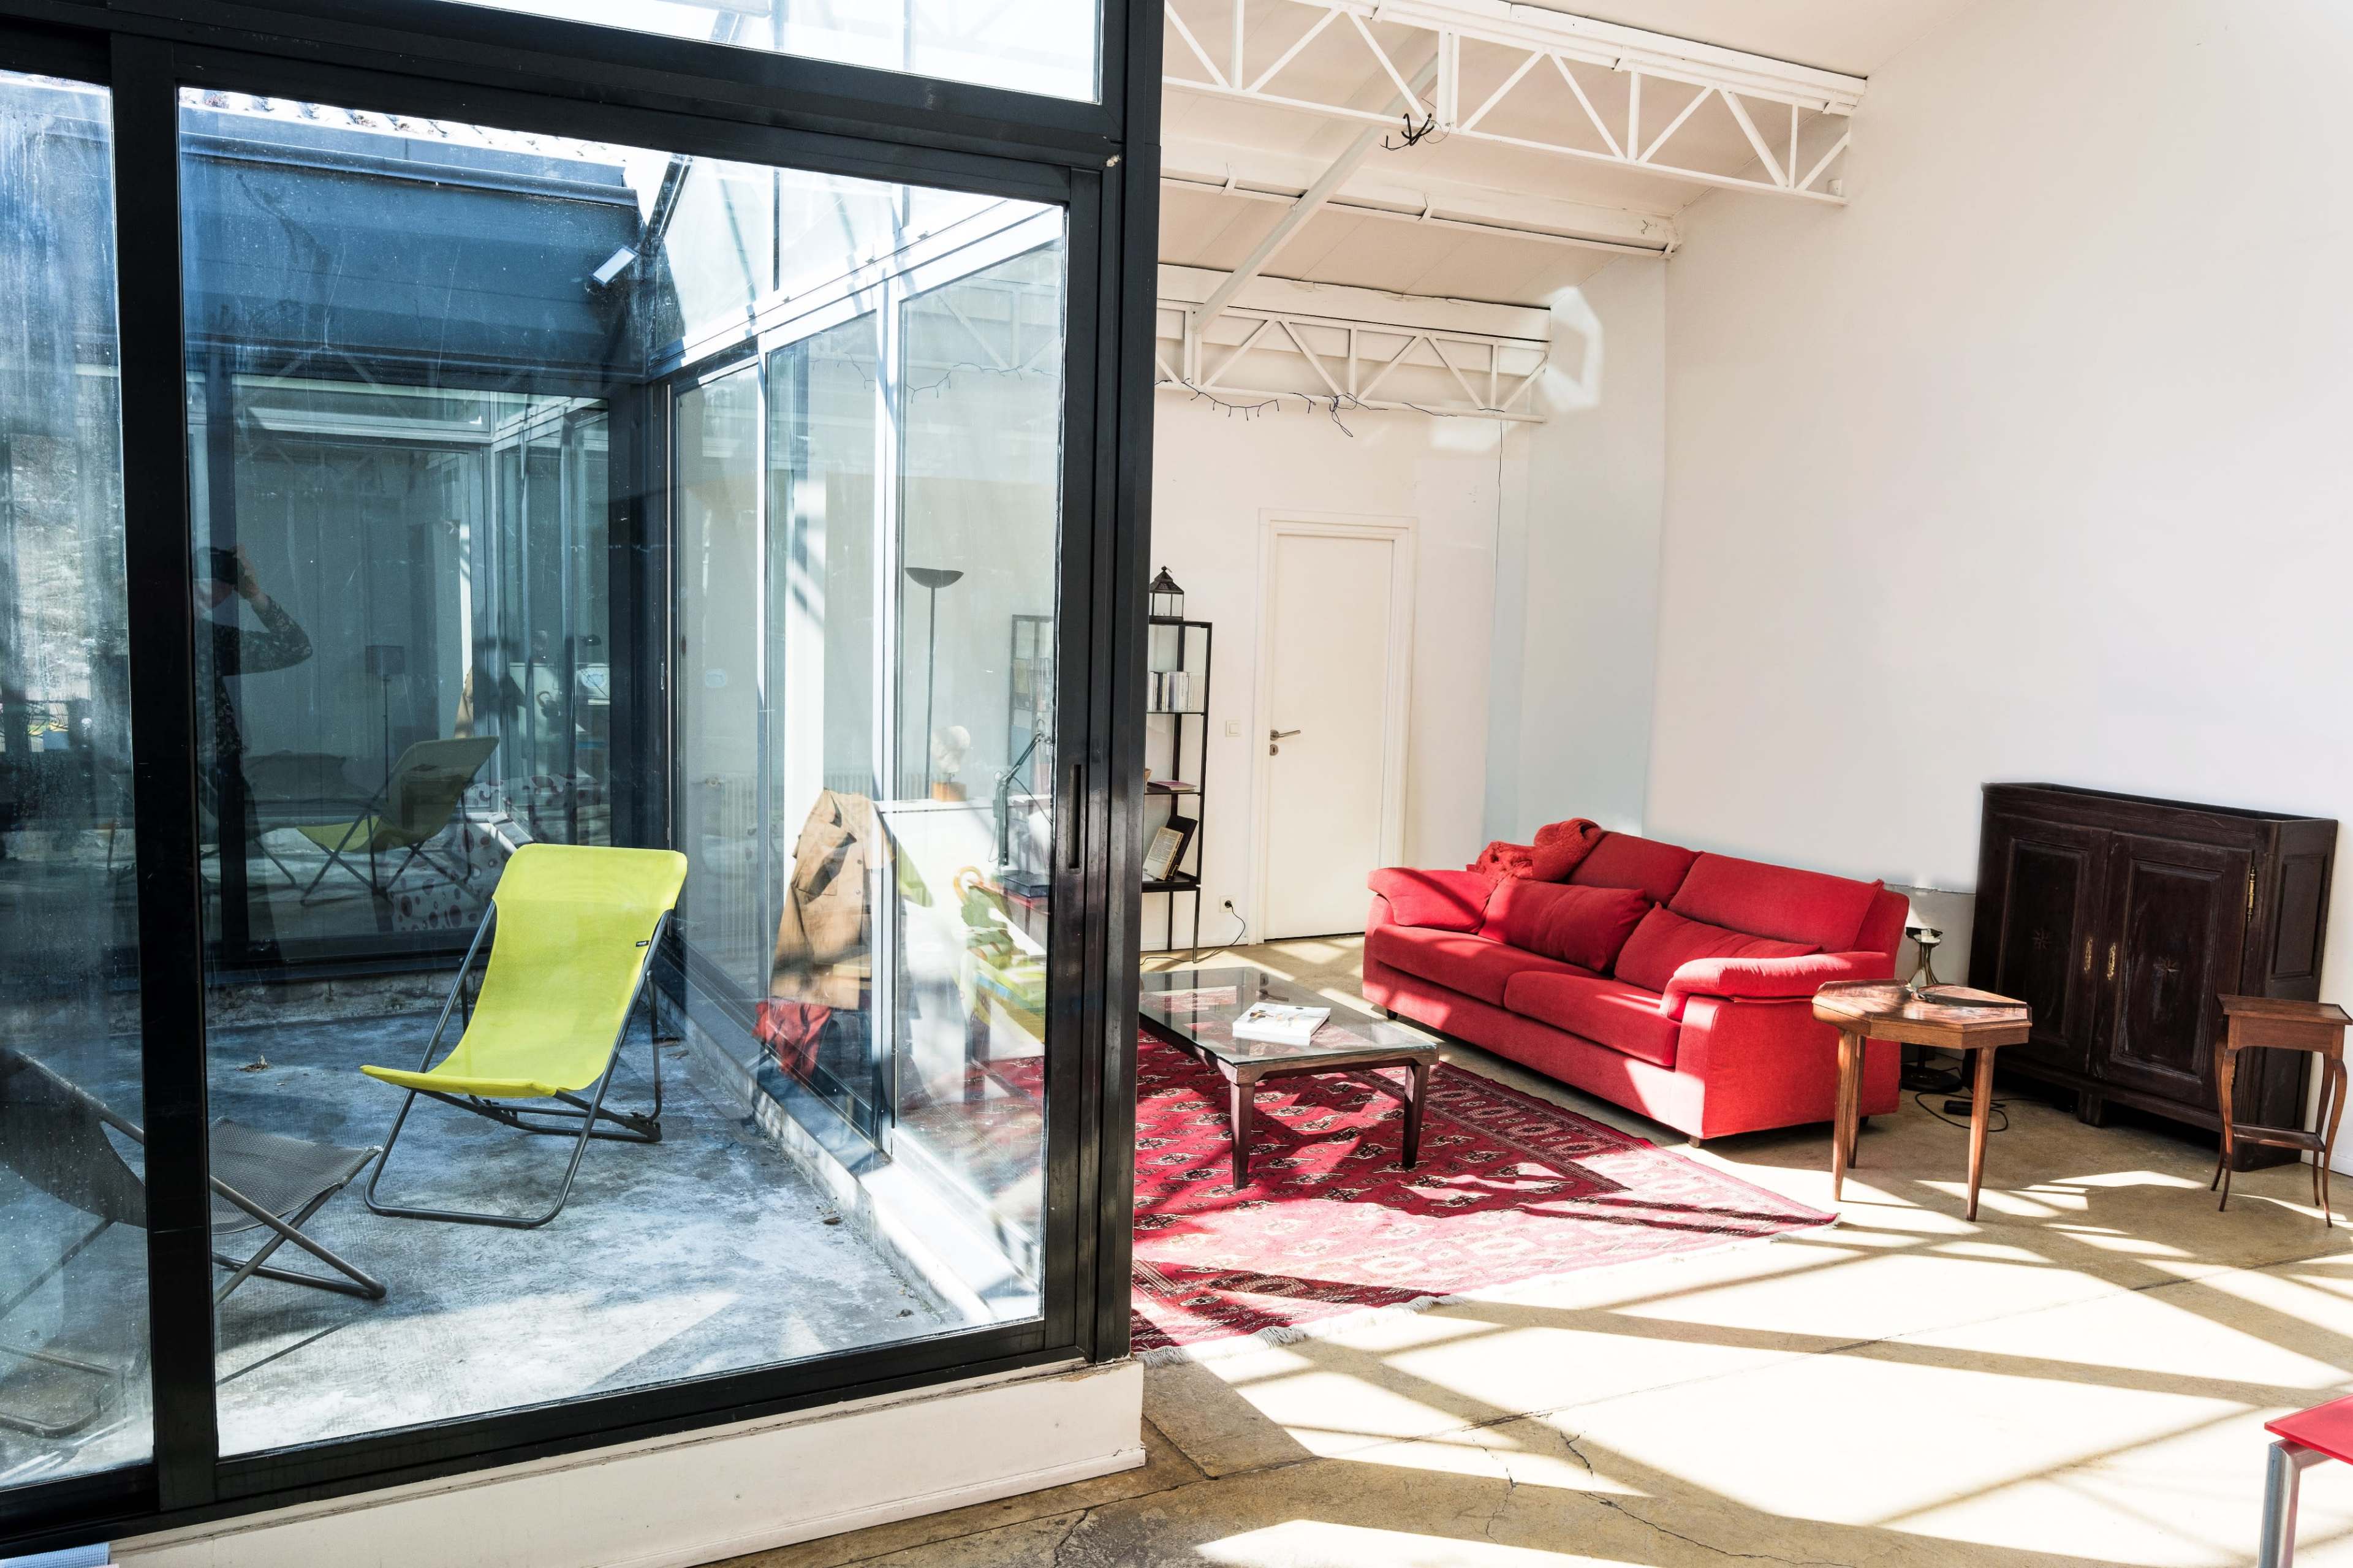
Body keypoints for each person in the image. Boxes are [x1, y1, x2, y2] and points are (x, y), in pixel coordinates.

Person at [193, 544, 311, 950]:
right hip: (164, 771)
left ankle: (252, 945)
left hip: (220, 771)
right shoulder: (136, 632)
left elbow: (296, 647)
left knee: (246, 868)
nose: (214, 592)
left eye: (221, 586)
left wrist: (255, 595)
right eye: (202, 581)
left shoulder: (209, 639)